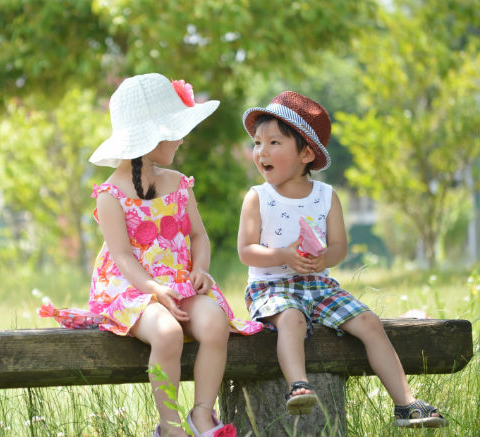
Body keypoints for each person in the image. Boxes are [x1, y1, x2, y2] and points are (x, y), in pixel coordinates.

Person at [40, 73, 261, 437]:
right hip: (131, 287)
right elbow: (123, 257)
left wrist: (200, 269)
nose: (182, 137)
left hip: (178, 283)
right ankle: (170, 426)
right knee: (168, 333)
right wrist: (154, 289)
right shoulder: (111, 194)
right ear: (150, 136)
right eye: (174, 129)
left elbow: (199, 237)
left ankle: (203, 414)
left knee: (214, 323)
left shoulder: (178, 183)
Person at [236, 91, 448, 428]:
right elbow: (246, 250)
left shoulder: (325, 196)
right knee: (292, 319)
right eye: (257, 143)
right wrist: (283, 255)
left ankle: (406, 404)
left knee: (369, 323)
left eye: (274, 142)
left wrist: (322, 259)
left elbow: (339, 247)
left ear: (306, 152)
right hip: (271, 286)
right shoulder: (258, 197)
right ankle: (298, 386)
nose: (261, 152)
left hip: (319, 285)